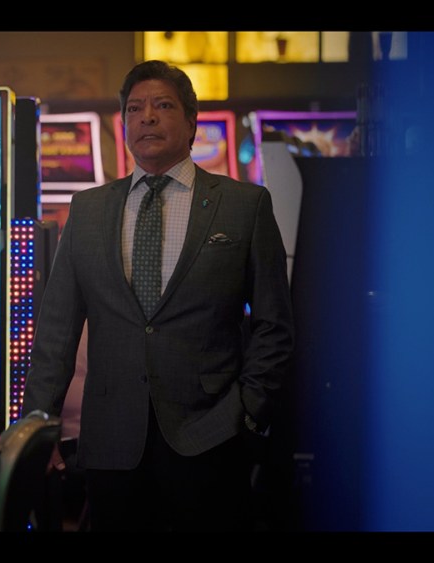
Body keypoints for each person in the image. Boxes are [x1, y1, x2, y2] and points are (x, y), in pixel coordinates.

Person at [22, 60, 294, 531]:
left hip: (212, 437)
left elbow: (275, 326)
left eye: (163, 105)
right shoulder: (88, 210)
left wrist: (249, 412)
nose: (147, 116)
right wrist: (38, 423)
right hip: (110, 442)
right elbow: (56, 332)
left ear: (191, 122)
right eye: (135, 108)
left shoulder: (244, 205)